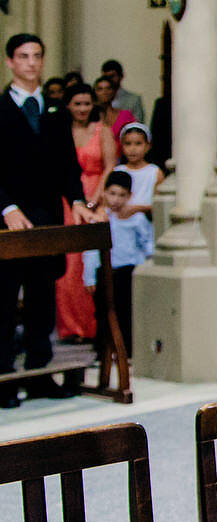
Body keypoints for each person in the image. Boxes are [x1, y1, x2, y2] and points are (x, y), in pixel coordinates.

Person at [1, 34, 99, 408]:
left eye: (37, 56)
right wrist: (7, 207)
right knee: (5, 300)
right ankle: (4, 379)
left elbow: (67, 166)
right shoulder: (1, 108)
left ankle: (41, 375)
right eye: (23, 56)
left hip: (46, 216)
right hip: (7, 217)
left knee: (43, 294)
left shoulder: (55, 112)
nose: (31, 63)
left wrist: (77, 200)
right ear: (10, 62)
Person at [55, 83, 116, 343]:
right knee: (68, 267)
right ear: (68, 105)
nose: (82, 109)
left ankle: (94, 327)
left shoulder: (101, 131)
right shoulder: (61, 131)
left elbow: (110, 165)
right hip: (68, 200)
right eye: (77, 104)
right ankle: (71, 328)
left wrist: (96, 196)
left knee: (92, 263)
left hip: (97, 194)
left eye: (87, 104)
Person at [82, 170, 153, 354]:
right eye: (112, 194)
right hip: (104, 271)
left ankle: (126, 349)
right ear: (104, 193)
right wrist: (89, 277)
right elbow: (90, 251)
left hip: (127, 271)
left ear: (129, 196)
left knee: (125, 311)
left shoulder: (135, 219)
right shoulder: (98, 220)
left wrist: (146, 267)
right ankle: (103, 350)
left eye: (122, 195)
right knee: (102, 312)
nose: (116, 200)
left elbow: (147, 245)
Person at [116, 123, 163, 223]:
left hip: (146, 223)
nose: (133, 149)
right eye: (128, 144)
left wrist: (137, 209)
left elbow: (158, 206)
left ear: (148, 146)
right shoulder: (118, 171)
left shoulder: (154, 172)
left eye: (138, 143)